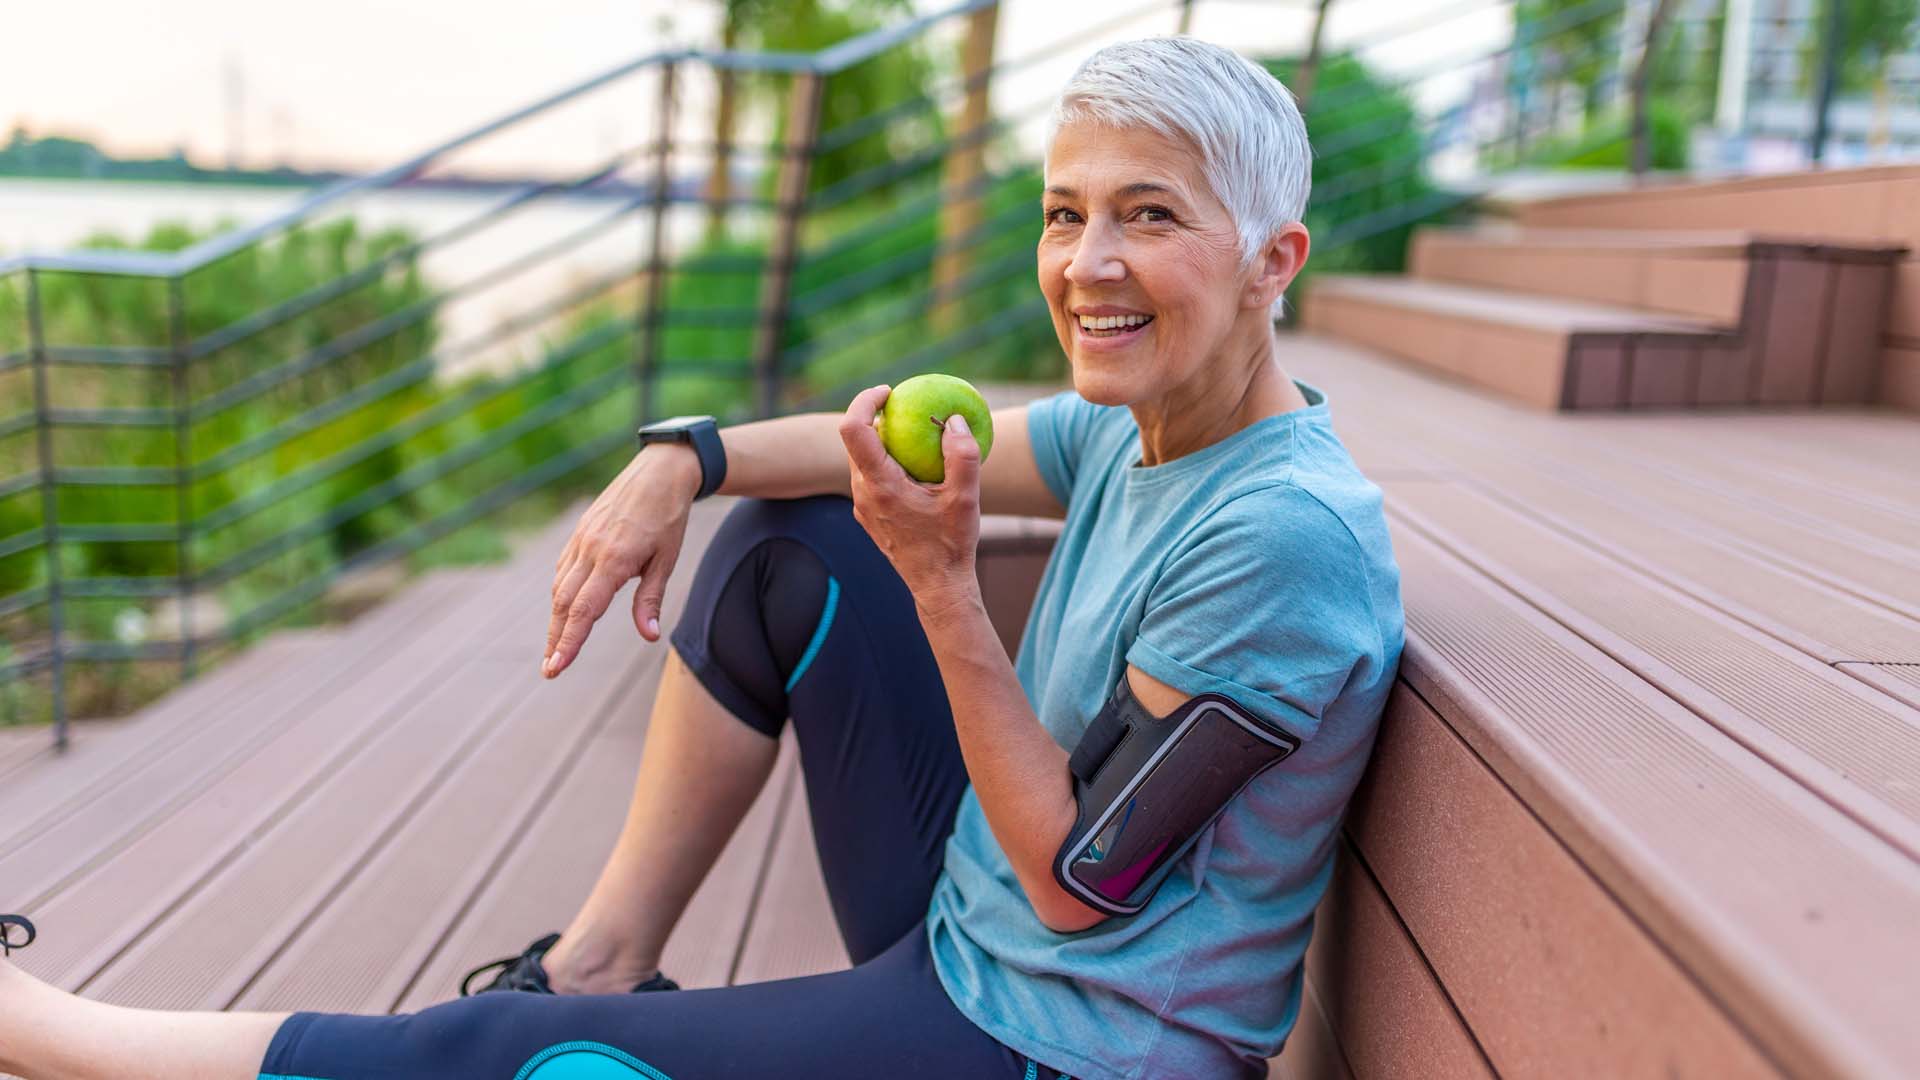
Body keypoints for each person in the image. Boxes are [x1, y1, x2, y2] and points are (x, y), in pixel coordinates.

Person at [0, 35, 1402, 1080]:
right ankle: (603, 957)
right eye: (1064, 211)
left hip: (1060, 1042)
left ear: (1275, 259)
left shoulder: (1279, 539)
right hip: (981, 936)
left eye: (1148, 215)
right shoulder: (1146, 427)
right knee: (784, 541)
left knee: (526, 1059)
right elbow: (825, 451)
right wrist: (681, 457)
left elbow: (1076, 885)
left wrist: (941, 587)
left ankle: (46, 1041)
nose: (1087, 260)